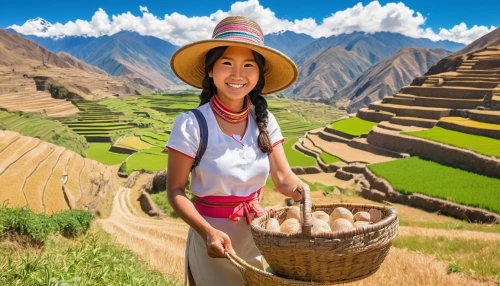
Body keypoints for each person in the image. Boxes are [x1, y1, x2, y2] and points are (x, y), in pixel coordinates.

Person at [166, 15, 308, 286]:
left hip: (257, 238)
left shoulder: (265, 122)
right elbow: (175, 191)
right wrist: (207, 231)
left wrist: (305, 197)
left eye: (248, 65)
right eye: (227, 63)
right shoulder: (191, 125)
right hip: (212, 244)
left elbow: (283, 178)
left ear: (259, 74)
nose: (237, 74)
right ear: (210, 70)